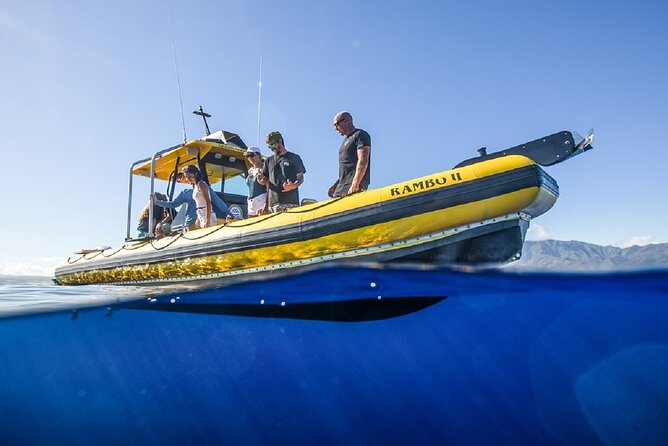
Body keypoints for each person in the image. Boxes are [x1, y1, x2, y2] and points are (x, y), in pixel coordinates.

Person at [155, 170, 234, 231]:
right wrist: (229, 213)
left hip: (195, 221)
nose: (187, 178)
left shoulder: (190, 191)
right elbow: (217, 201)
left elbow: (173, 204)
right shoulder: (200, 189)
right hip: (198, 219)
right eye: (186, 176)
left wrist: (157, 202)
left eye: (188, 176)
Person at [258, 131, 306, 213]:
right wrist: (260, 180)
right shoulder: (268, 161)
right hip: (272, 205)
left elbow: (300, 178)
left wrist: (293, 185)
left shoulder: (294, 157)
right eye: (269, 146)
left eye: (273, 145)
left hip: (290, 203)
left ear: (280, 141)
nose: (272, 148)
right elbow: (265, 180)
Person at [328, 111, 371, 198]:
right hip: (341, 188)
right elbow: (347, 169)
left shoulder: (360, 135)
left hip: (354, 187)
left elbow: (363, 160)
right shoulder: (344, 143)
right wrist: (336, 185)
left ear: (347, 121)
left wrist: (355, 184)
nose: (335, 128)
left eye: (337, 124)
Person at [244, 146, 268, 217]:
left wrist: (266, 205)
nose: (250, 158)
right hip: (251, 201)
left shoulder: (264, 168)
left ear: (259, 155)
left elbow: (269, 188)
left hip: (261, 199)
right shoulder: (250, 170)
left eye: (252, 155)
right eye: (247, 156)